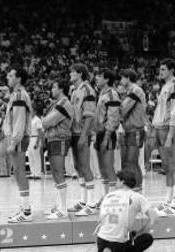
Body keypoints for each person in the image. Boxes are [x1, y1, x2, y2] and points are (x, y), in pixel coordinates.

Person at [152, 59, 175, 217]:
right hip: (159, 128)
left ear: (172, 70)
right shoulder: (164, 86)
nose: (161, 71)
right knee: (167, 166)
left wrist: (171, 134)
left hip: (168, 129)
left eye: (164, 69)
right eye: (160, 69)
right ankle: (168, 200)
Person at [96, 170, 157, 252]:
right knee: (147, 238)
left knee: (129, 233)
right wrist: (140, 233)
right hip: (119, 242)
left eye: (117, 180)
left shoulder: (108, 196)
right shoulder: (137, 197)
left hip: (101, 239)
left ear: (122, 181)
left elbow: (101, 220)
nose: (115, 182)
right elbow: (154, 218)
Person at [68, 63, 98, 216]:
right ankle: (83, 201)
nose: (70, 74)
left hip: (81, 133)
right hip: (73, 131)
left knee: (85, 166)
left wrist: (84, 134)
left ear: (80, 73)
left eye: (72, 72)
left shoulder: (87, 90)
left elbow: (89, 115)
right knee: (78, 166)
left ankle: (91, 204)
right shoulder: (74, 91)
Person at [5, 66, 33, 223]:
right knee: (17, 171)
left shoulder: (20, 95)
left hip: (20, 138)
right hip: (17, 137)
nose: (8, 77)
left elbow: (19, 121)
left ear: (19, 78)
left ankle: (27, 211)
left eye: (11, 75)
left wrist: (13, 142)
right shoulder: (16, 94)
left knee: (20, 171)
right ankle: (24, 208)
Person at [42, 80, 73, 219]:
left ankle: (63, 209)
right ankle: (59, 206)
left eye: (54, 87)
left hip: (60, 138)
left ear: (61, 89)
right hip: (53, 138)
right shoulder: (56, 103)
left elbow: (47, 122)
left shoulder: (64, 103)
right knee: (55, 172)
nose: (51, 89)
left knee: (59, 172)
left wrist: (45, 121)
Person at [94, 68, 120, 203]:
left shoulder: (112, 94)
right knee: (102, 168)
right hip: (99, 133)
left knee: (109, 166)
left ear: (107, 79)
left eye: (99, 76)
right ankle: (106, 196)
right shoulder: (101, 93)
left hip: (107, 134)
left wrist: (106, 137)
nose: (96, 78)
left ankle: (113, 197)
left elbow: (113, 118)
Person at [120, 68, 147, 192]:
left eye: (122, 78)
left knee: (132, 162)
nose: (121, 81)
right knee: (128, 163)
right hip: (129, 130)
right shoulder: (130, 91)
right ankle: (134, 189)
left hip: (135, 129)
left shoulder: (136, 90)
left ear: (128, 78)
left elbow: (123, 109)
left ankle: (138, 190)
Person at [27, 104, 44, 179]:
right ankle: (32, 172)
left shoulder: (37, 120)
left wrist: (37, 142)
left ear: (35, 111)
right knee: (30, 155)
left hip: (35, 138)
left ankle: (37, 173)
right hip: (29, 138)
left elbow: (40, 132)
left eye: (31, 111)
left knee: (36, 156)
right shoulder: (29, 119)